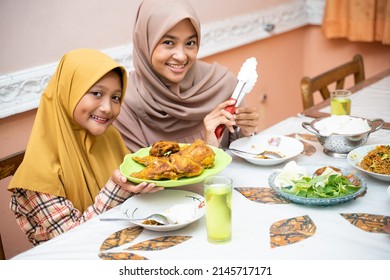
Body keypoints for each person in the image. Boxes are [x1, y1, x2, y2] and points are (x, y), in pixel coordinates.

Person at [8, 49, 163, 246]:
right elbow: (72, 242)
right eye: (96, 93)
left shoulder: (110, 137)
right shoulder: (37, 173)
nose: (108, 107)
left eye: (116, 98)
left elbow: (133, 208)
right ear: (68, 92)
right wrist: (117, 189)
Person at [114, 0, 259, 151]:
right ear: (145, 43)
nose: (181, 56)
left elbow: (243, 154)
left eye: (190, 43)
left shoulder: (222, 85)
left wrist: (246, 131)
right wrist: (207, 149)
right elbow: (141, 171)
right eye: (169, 42)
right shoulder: (126, 102)